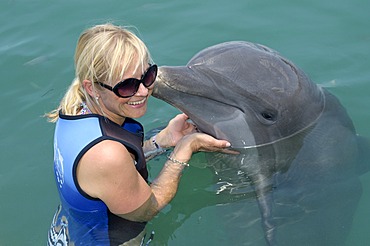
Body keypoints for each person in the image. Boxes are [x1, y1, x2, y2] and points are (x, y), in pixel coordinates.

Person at [45, 23, 231, 245]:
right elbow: (147, 209)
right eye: (127, 86)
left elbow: (113, 170)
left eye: (148, 76)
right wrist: (184, 150)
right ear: (92, 87)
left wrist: (161, 141)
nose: (143, 91)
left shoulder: (74, 108)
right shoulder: (105, 155)